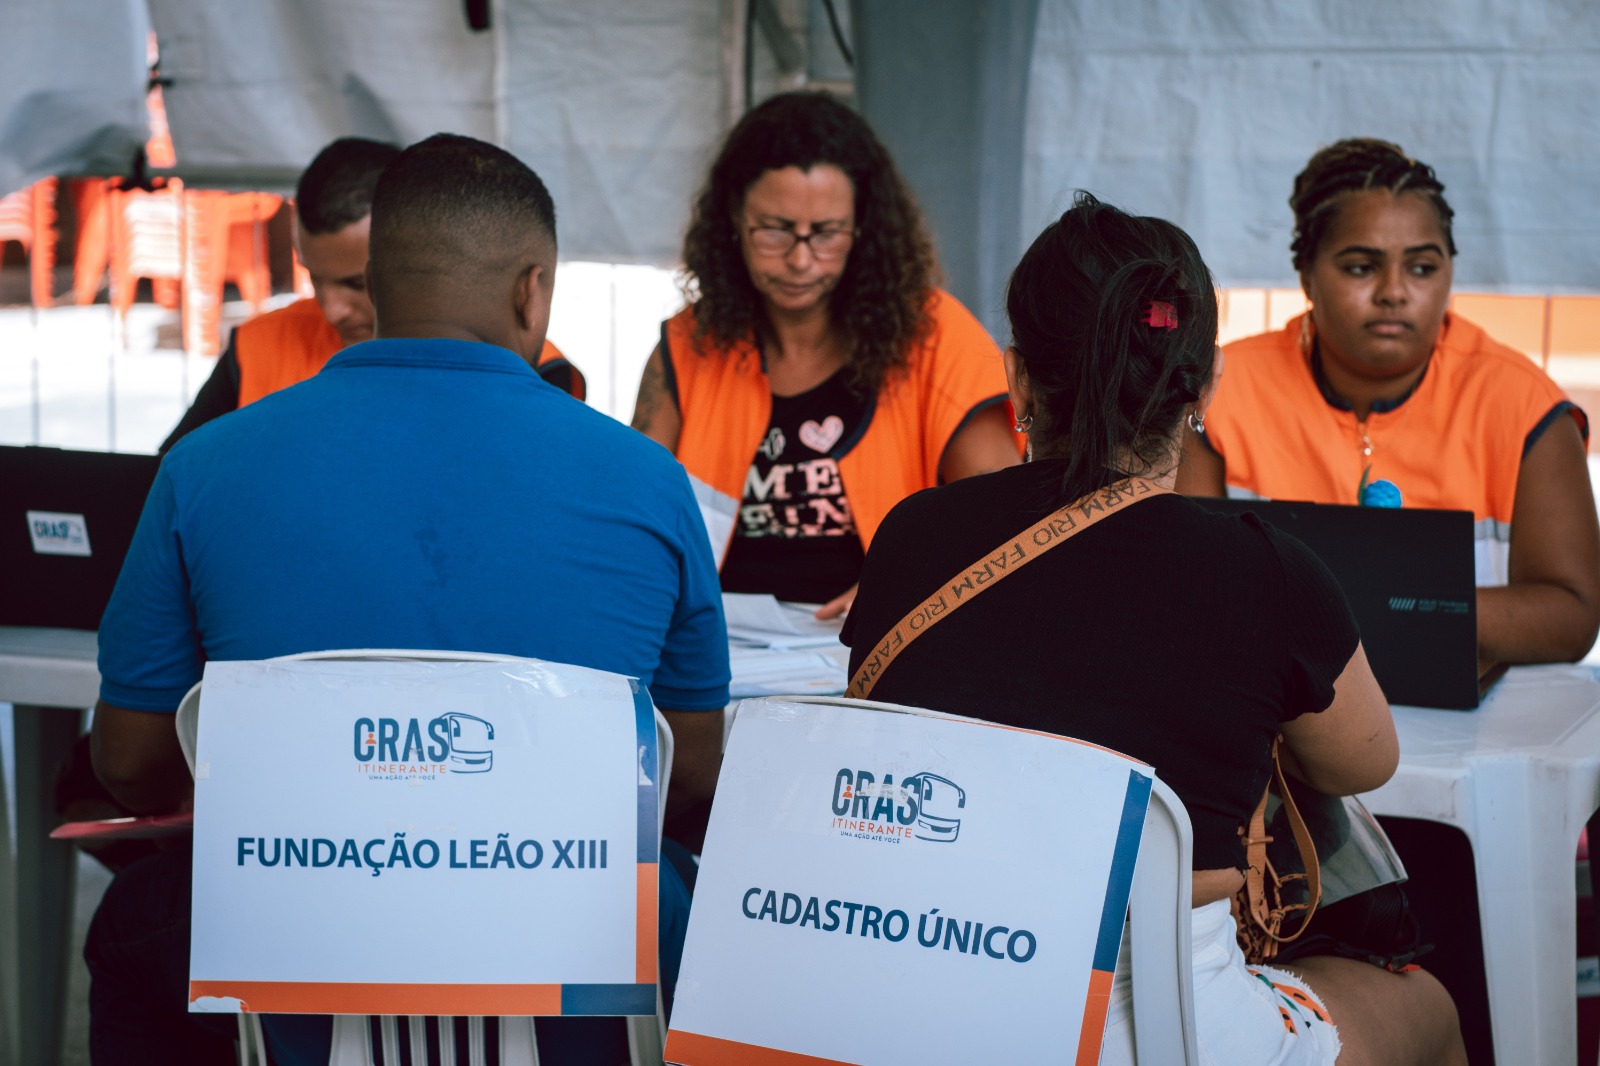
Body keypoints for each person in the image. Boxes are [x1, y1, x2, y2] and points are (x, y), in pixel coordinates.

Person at [86, 134, 729, 1066]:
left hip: (291, 967)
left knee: (135, 919)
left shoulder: (206, 469)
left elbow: (130, 760)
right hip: (579, 988)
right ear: (530, 291)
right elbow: (689, 781)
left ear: (376, 284)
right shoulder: (648, 482)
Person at [844, 193, 1467, 1066]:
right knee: (1429, 1009)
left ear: (1020, 378)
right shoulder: (1266, 569)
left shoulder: (911, 535)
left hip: (918, 996)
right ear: (1204, 383)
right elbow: (1364, 763)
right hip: (1156, 1023)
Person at [1177, 137, 1600, 669]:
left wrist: (1378, 610)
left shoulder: (1523, 402)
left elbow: (1571, 617)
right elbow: (1186, 581)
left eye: (1422, 268)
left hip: (1478, 734)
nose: (1394, 292)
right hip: (1278, 724)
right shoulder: (1222, 388)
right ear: (1307, 274)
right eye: (1361, 267)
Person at [631, 91, 1020, 619]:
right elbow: (635, 516)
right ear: (732, 223)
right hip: (716, 641)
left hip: (887, 638)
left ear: (864, 228)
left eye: (827, 234)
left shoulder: (937, 336)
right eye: (774, 231)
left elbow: (1003, 518)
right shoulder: (686, 347)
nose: (800, 259)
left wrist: (909, 584)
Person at [159, 136, 585, 453]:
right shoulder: (258, 344)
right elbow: (157, 482)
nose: (332, 310)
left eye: (356, 283)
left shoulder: (529, 365)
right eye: (314, 278)